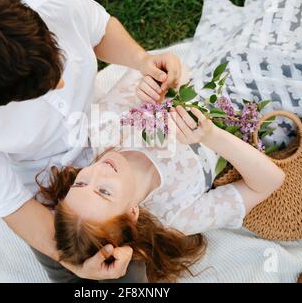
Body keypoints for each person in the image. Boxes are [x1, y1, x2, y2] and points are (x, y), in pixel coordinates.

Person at [0, 0, 182, 282]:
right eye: (41, 90)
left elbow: (100, 30)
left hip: (103, 134)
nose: (62, 85)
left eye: (58, 64)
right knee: (109, 271)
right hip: (44, 182)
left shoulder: (56, 0)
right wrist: (73, 263)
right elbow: (14, 203)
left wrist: (141, 60)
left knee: (142, 254)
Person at [33, 70, 285, 282]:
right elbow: (269, 181)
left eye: (82, 183)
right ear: (132, 213)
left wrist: (151, 83)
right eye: (104, 191)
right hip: (266, 113)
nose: (98, 171)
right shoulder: (175, 213)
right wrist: (211, 137)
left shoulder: (104, 130)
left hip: (218, 71)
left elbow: (156, 70)